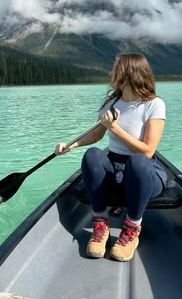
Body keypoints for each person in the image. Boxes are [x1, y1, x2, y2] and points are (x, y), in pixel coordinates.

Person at [55, 53, 167, 262]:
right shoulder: (110, 102)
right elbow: (96, 134)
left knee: (138, 160)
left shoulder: (154, 104)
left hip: (144, 175)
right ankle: (101, 223)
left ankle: (132, 228)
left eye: (114, 69)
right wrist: (70, 145)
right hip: (116, 175)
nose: (110, 73)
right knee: (93, 155)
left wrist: (114, 127)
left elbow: (148, 151)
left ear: (128, 73)